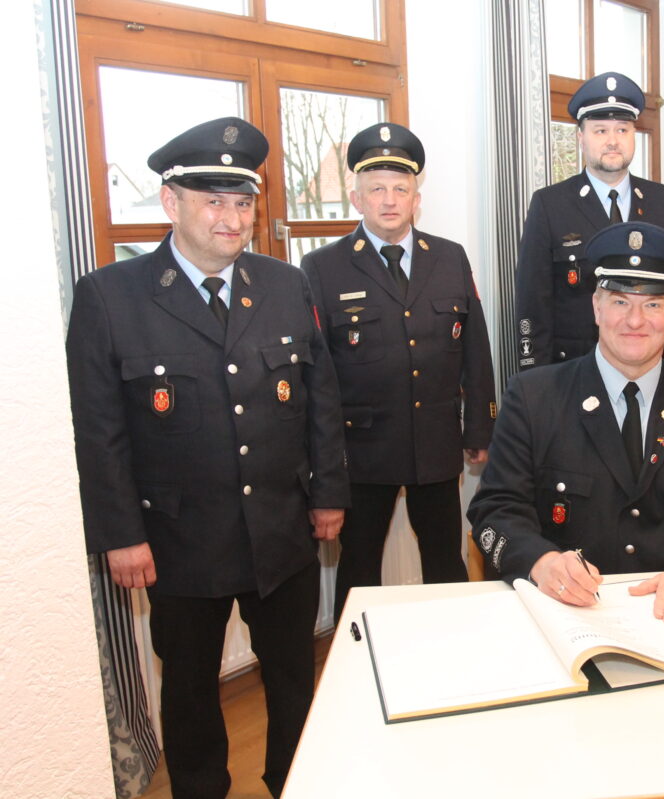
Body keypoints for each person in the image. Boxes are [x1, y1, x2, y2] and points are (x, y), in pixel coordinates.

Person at [66, 117, 350, 799]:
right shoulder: (111, 296)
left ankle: (294, 782)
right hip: (178, 540)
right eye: (213, 201)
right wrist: (120, 534)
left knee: (293, 677)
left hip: (280, 529)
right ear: (171, 202)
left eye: (244, 202)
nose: (233, 219)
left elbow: (320, 398)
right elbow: (98, 432)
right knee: (191, 692)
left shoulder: (284, 284)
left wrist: (329, 494)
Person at [470, 221, 664, 623]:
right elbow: (495, 508)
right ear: (596, 308)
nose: (635, 321)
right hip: (566, 613)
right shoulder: (532, 397)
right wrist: (541, 562)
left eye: (653, 304)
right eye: (619, 301)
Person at [301, 123, 496, 620]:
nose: (389, 200)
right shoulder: (322, 267)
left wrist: (479, 427)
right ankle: (357, 653)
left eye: (400, 189)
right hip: (362, 449)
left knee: (445, 561)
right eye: (376, 189)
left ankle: (455, 643)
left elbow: (475, 349)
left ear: (416, 199)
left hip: (436, 441)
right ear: (356, 198)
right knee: (359, 566)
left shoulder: (449, 257)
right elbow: (317, 375)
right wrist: (323, 460)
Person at [515, 71, 664, 373]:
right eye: (600, 131)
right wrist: (536, 384)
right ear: (581, 138)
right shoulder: (549, 205)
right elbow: (533, 304)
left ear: (634, 135)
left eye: (622, 130)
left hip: (651, 371)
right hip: (574, 373)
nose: (613, 141)